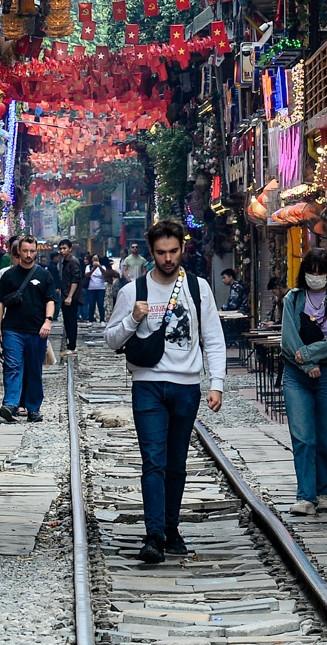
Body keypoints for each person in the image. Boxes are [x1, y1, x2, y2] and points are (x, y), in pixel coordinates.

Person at [103, 220, 226, 565]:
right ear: (151, 252)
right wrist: (132, 320)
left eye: (173, 251)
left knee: (176, 463)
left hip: (187, 387)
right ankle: (154, 534)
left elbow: (213, 339)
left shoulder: (198, 289)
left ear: (182, 249)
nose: (168, 258)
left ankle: (171, 528)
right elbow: (111, 339)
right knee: (153, 461)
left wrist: (216, 383)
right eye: (161, 252)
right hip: (148, 385)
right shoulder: (133, 291)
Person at [277, 250, 327, 517]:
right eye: (311, 270)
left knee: (326, 438)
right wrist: (306, 365)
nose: (315, 276)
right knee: (302, 437)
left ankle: (324, 492)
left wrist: (310, 355)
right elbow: (288, 337)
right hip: (296, 376)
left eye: (320, 270)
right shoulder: (293, 297)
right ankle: (305, 496)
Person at [0, 235, 54, 422]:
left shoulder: (44, 275)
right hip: (12, 329)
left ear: (36, 251)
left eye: (32, 251)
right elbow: (0, 303)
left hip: (37, 330)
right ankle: (11, 404)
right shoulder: (8, 275)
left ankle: (33, 408)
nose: (28, 255)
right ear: (18, 251)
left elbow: (50, 300)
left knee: (34, 368)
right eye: (25, 251)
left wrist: (48, 321)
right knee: (13, 366)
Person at [85, 254, 110, 320]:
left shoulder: (103, 267)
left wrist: (99, 267)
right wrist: (93, 268)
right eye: (93, 259)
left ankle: (102, 319)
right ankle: (91, 319)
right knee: (91, 304)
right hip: (91, 288)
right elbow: (87, 275)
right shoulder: (88, 267)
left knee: (100, 304)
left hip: (101, 288)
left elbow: (105, 274)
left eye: (96, 259)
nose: (94, 260)